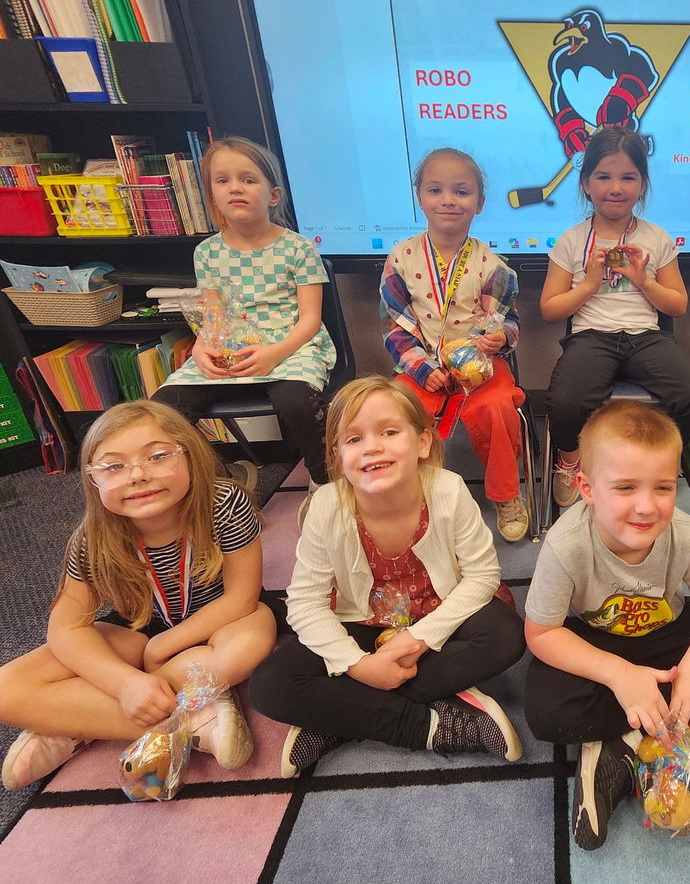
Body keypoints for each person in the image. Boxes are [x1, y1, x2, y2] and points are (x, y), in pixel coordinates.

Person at [524, 400, 690, 850]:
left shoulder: (686, 533)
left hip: (671, 637)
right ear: (586, 487)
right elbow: (542, 633)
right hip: (596, 642)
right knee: (545, 712)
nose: (646, 507)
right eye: (625, 487)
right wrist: (619, 675)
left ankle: (621, 747)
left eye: (663, 488)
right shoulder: (565, 545)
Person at [249, 376, 526, 778]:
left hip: (438, 619)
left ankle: (338, 716)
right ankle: (430, 724)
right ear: (337, 456)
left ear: (423, 443)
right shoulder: (325, 507)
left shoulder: (448, 490)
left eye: (389, 431)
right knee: (270, 685)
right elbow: (306, 603)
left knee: (505, 635)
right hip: (361, 623)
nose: (372, 446)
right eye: (353, 439)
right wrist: (359, 665)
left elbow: (482, 576)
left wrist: (419, 638)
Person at [0, 400, 277, 791]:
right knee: (6, 688)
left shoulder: (224, 504)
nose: (138, 475)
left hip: (221, 621)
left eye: (158, 456)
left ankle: (73, 722)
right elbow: (65, 628)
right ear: (93, 480)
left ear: (189, 455)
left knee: (250, 642)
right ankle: (193, 716)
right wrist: (126, 684)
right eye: (114, 466)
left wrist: (163, 647)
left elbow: (242, 598)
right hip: (135, 632)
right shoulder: (91, 537)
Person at [153, 136, 336, 524]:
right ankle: (223, 479)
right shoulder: (207, 253)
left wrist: (274, 353)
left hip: (291, 345)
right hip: (230, 346)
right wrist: (201, 348)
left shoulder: (299, 249)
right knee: (162, 412)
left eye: (248, 179)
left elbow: (310, 320)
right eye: (223, 181)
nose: (235, 187)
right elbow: (213, 318)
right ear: (212, 195)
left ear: (273, 194)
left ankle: (323, 479)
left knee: (296, 401)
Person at [540, 127, 690, 509]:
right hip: (591, 336)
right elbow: (549, 310)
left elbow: (678, 305)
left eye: (628, 177)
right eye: (603, 176)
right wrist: (587, 284)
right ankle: (570, 461)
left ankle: (661, 457)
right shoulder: (571, 240)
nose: (615, 187)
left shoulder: (656, 238)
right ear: (586, 183)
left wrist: (643, 280)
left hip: (645, 338)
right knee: (567, 402)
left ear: (642, 184)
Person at [380, 148, 529, 543]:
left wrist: (501, 339)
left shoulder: (491, 263)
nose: (448, 199)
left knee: (498, 407)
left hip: (478, 366)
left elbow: (508, 322)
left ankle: (506, 493)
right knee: (392, 409)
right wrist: (421, 369)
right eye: (436, 190)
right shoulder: (401, 258)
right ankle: (407, 495)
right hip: (421, 365)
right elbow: (393, 325)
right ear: (420, 197)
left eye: (462, 192)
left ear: (479, 203)